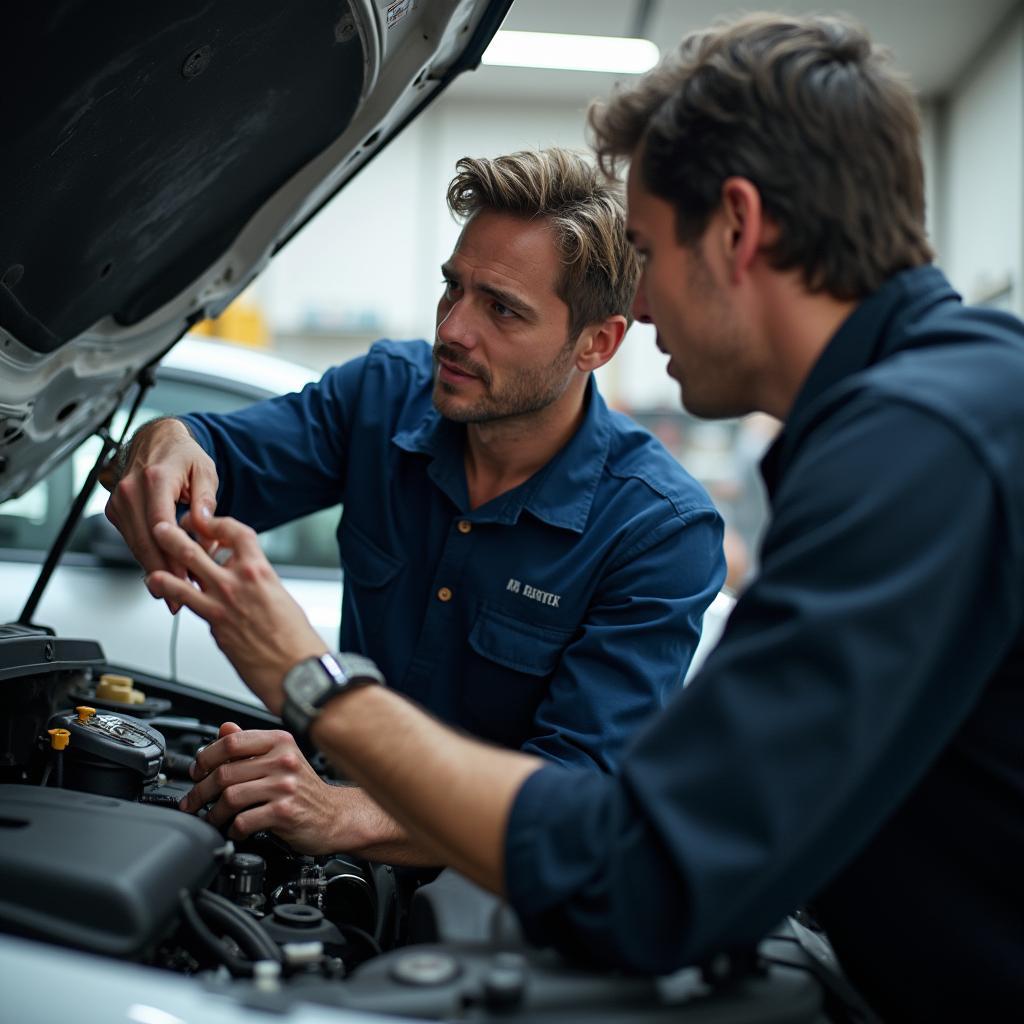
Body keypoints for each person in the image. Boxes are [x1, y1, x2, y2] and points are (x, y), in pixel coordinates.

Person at [142, 14, 1024, 1018]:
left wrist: (311, 685)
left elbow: (644, 871)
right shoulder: (944, 412)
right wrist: (169, 439)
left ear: (735, 227)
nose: (643, 311)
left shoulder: (917, 448)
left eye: (648, 252)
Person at [107, 147, 726, 864]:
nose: (453, 331)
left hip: (486, 899)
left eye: (501, 309)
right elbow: (211, 453)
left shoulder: (658, 531)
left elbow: (576, 796)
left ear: (596, 343)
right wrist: (166, 437)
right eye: (452, 289)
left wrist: (343, 811)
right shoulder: (381, 396)